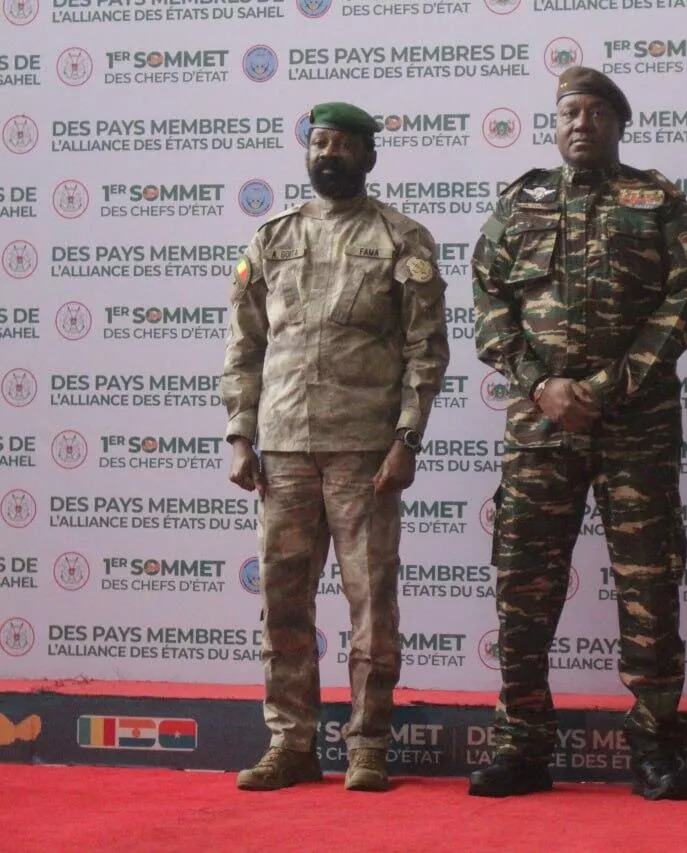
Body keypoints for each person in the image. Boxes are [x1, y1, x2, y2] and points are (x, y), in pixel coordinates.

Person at [469, 67, 687, 800]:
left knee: (648, 582)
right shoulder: (520, 202)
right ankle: (523, 742)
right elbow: (487, 298)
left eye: (596, 113)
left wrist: (607, 388)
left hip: (635, 427)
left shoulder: (658, 200)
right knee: (523, 587)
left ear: (618, 123)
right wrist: (541, 385)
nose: (581, 124)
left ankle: (657, 746)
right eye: (570, 112)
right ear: (556, 121)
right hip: (539, 428)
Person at [222, 102, 450, 793]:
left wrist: (408, 438)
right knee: (284, 605)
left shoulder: (400, 238)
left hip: (363, 451)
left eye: (344, 144)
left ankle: (367, 745)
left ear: (369, 156)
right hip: (284, 447)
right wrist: (240, 432)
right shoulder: (272, 237)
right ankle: (291, 743)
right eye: (320, 141)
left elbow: (425, 351)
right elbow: (245, 344)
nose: (330, 153)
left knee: (372, 606)